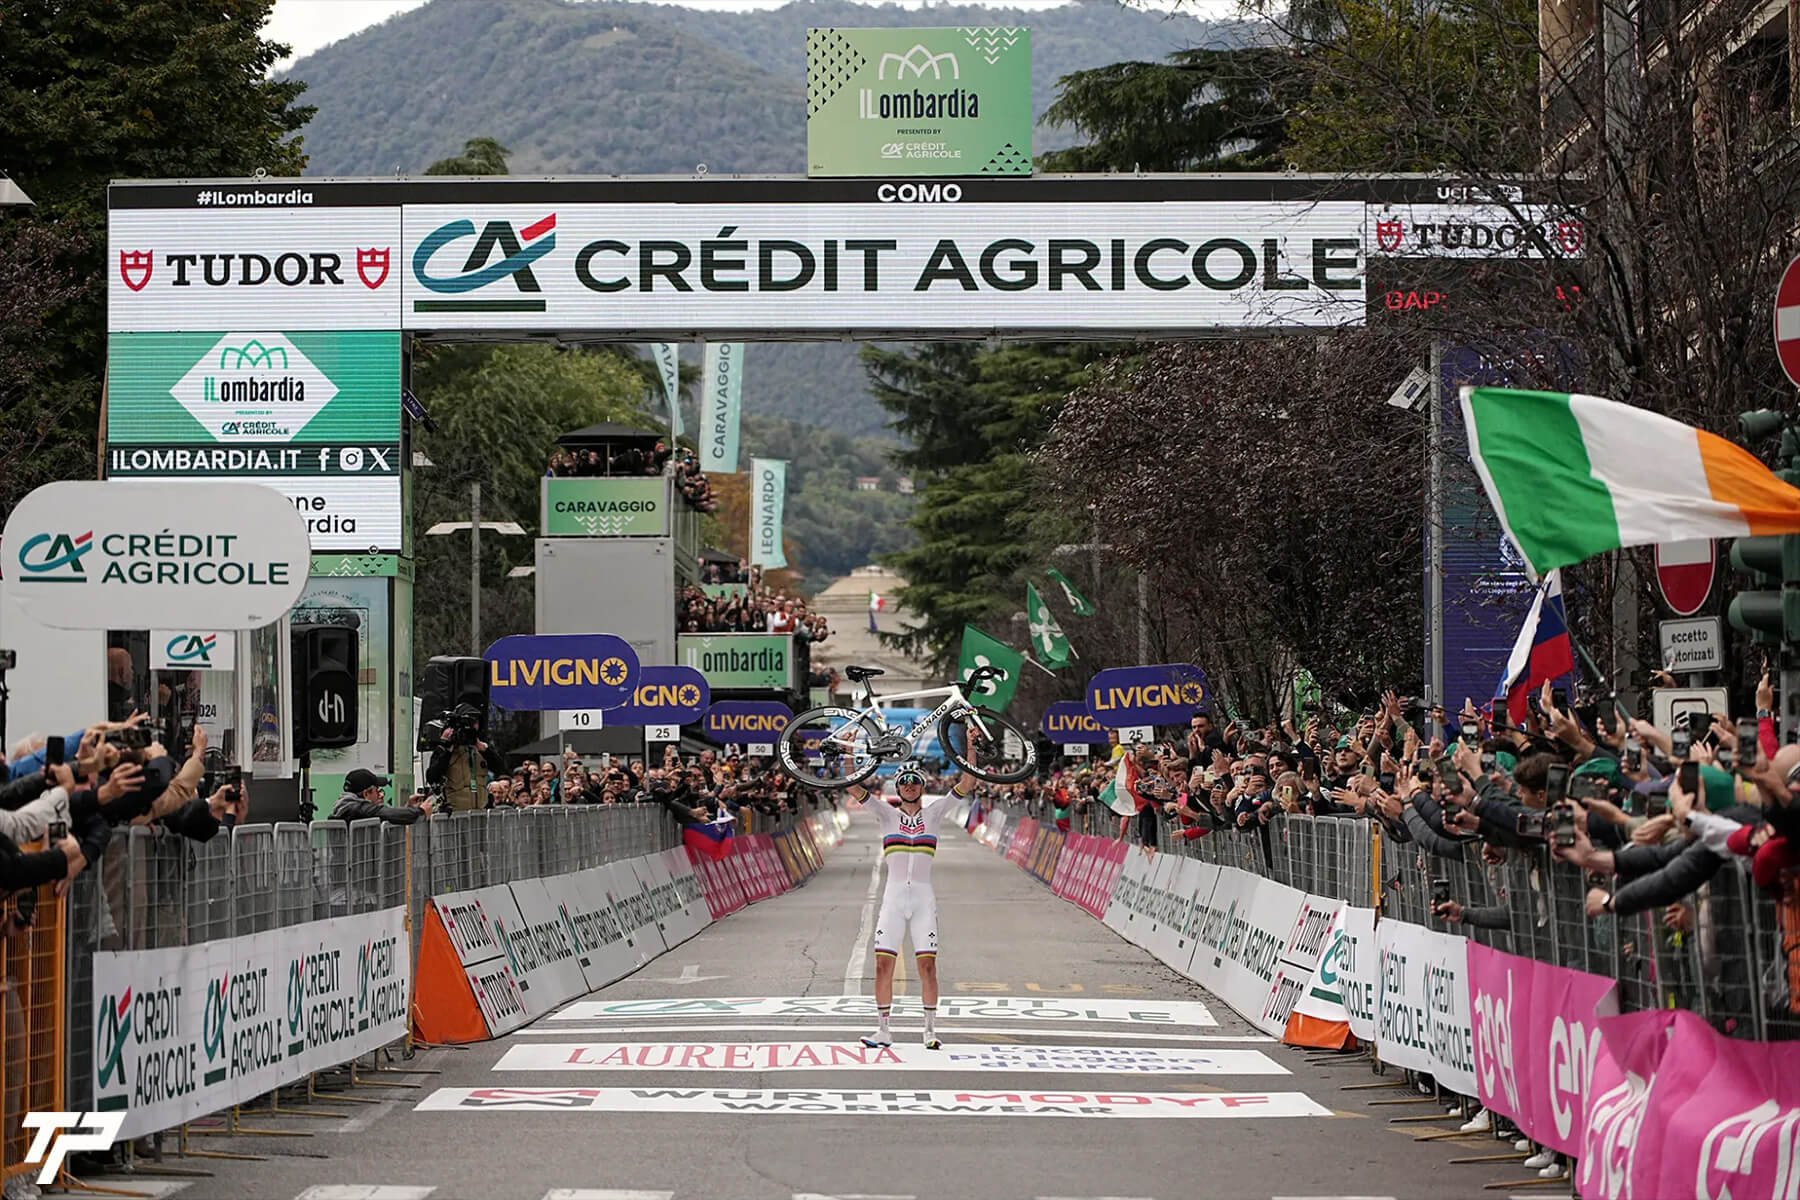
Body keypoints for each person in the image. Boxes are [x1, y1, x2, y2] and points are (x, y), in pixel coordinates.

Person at [844, 762, 978, 1050]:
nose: (908, 785)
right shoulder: (886, 814)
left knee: (927, 967)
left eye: (914, 780)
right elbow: (852, 786)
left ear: (922, 785)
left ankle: (929, 1030)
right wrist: (847, 754)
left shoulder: (935, 813)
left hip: (922, 900)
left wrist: (970, 747)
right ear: (897, 786)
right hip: (892, 900)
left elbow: (967, 782)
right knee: (882, 966)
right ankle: (883, 1031)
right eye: (903, 781)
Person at [329, 769, 427, 824]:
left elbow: (391, 815)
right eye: (377, 791)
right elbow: (387, 813)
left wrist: (408, 807)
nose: (381, 795)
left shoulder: (346, 807)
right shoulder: (358, 809)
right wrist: (422, 811)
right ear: (366, 794)